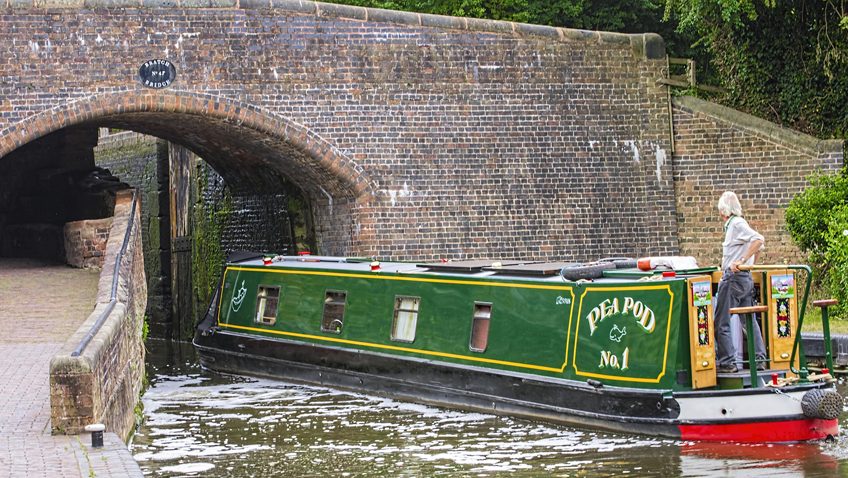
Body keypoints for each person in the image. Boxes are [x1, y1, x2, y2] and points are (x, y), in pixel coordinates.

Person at [715, 191, 767, 373]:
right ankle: (760, 360)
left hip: (733, 278)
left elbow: (759, 240)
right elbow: (759, 245)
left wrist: (742, 261)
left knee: (721, 321)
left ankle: (728, 363)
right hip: (745, 279)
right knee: (749, 320)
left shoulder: (735, 224)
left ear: (724, 211)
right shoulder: (738, 224)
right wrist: (750, 264)